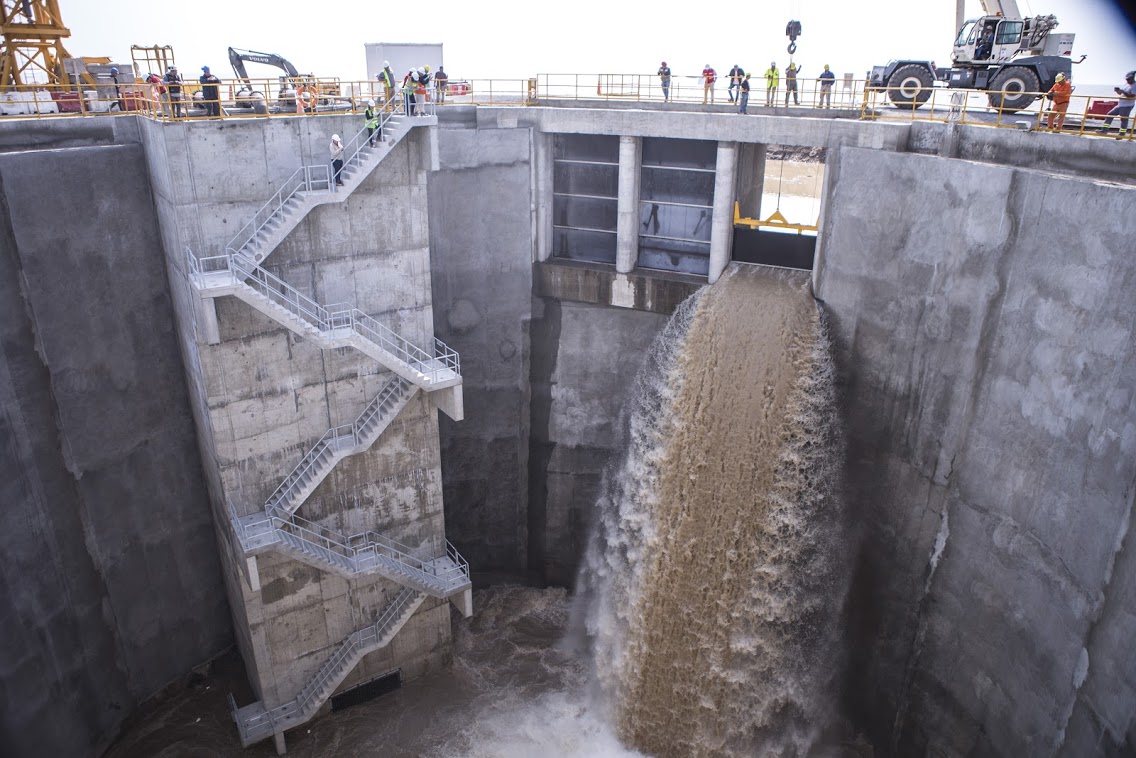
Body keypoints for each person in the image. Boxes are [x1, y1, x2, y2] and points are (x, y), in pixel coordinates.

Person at [1100, 70, 1136, 134]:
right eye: (1126, 79)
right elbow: (1121, 94)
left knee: (1123, 119)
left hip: (1127, 106)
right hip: (1120, 104)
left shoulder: (1134, 86)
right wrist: (1118, 91)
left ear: (1133, 78)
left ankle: (1122, 134)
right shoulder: (1126, 84)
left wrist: (1123, 92)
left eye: (1128, 79)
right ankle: (1104, 130)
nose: (1127, 81)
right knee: (1109, 115)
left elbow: (1132, 96)